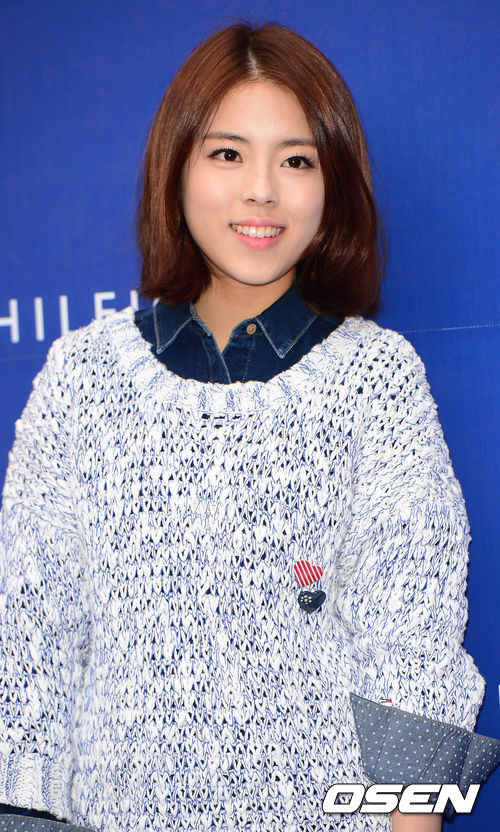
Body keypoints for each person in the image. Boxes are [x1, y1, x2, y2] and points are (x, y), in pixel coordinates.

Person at [0, 20, 499, 832]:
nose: (262, 190)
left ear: (332, 183)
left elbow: (412, 647)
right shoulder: (81, 378)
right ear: (176, 167)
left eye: (296, 160)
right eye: (228, 153)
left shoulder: (377, 379)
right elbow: (28, 648)